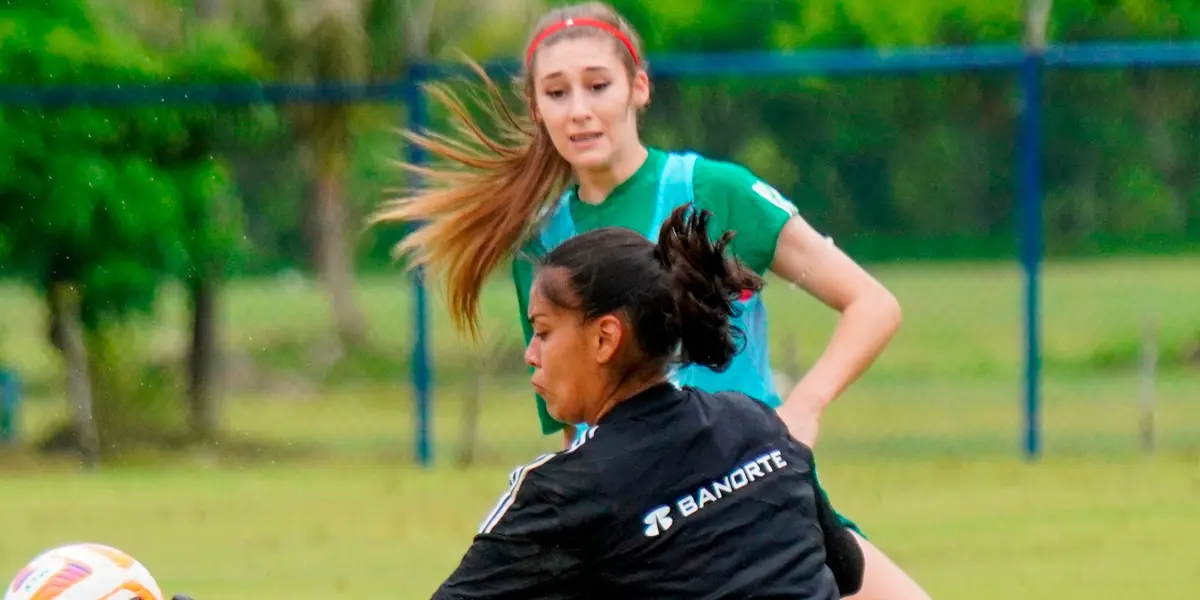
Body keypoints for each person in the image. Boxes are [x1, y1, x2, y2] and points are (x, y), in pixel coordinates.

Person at [371, 2, 927, 598]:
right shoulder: (543, 248)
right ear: (535, 108)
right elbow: (573, 432)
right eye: (556, 93)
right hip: (647, 533)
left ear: (638, 87)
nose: (579, 110)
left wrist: (804, 411)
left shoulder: (714, 190)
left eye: (597, 85)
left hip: (750, 494)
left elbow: (872, 304)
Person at [434, 207, 861, 599]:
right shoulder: (753, 422)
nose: (531, 354)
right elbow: (847, 569)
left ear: (605, 338)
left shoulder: (563, 492)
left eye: (543, 332)